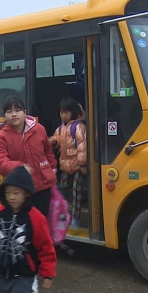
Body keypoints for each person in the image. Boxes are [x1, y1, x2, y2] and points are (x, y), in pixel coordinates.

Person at [0, 96, 57, 217]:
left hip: (43, 187)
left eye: (17, 110)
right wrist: (20, 167)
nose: (14, 114)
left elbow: (48, 151)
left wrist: (52, 169)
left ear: (25, 112)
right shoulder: (2, 137)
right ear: (5, 115)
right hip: (20, 190)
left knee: (42, 223)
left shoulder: (39, 129)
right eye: (9, 111)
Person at [49, 97, 87, 228]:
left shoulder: (78, 127)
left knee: (77, 192)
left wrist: (82, 164)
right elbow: (58, 139)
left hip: (77, 166)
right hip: (65, 165)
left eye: (66, 112)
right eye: (61, 112)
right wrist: (53, 141)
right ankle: (64, 214)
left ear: (73, 112)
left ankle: (75, 218)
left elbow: (82, 146)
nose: (63, 115)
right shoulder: (60, 128)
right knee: (62, 190)